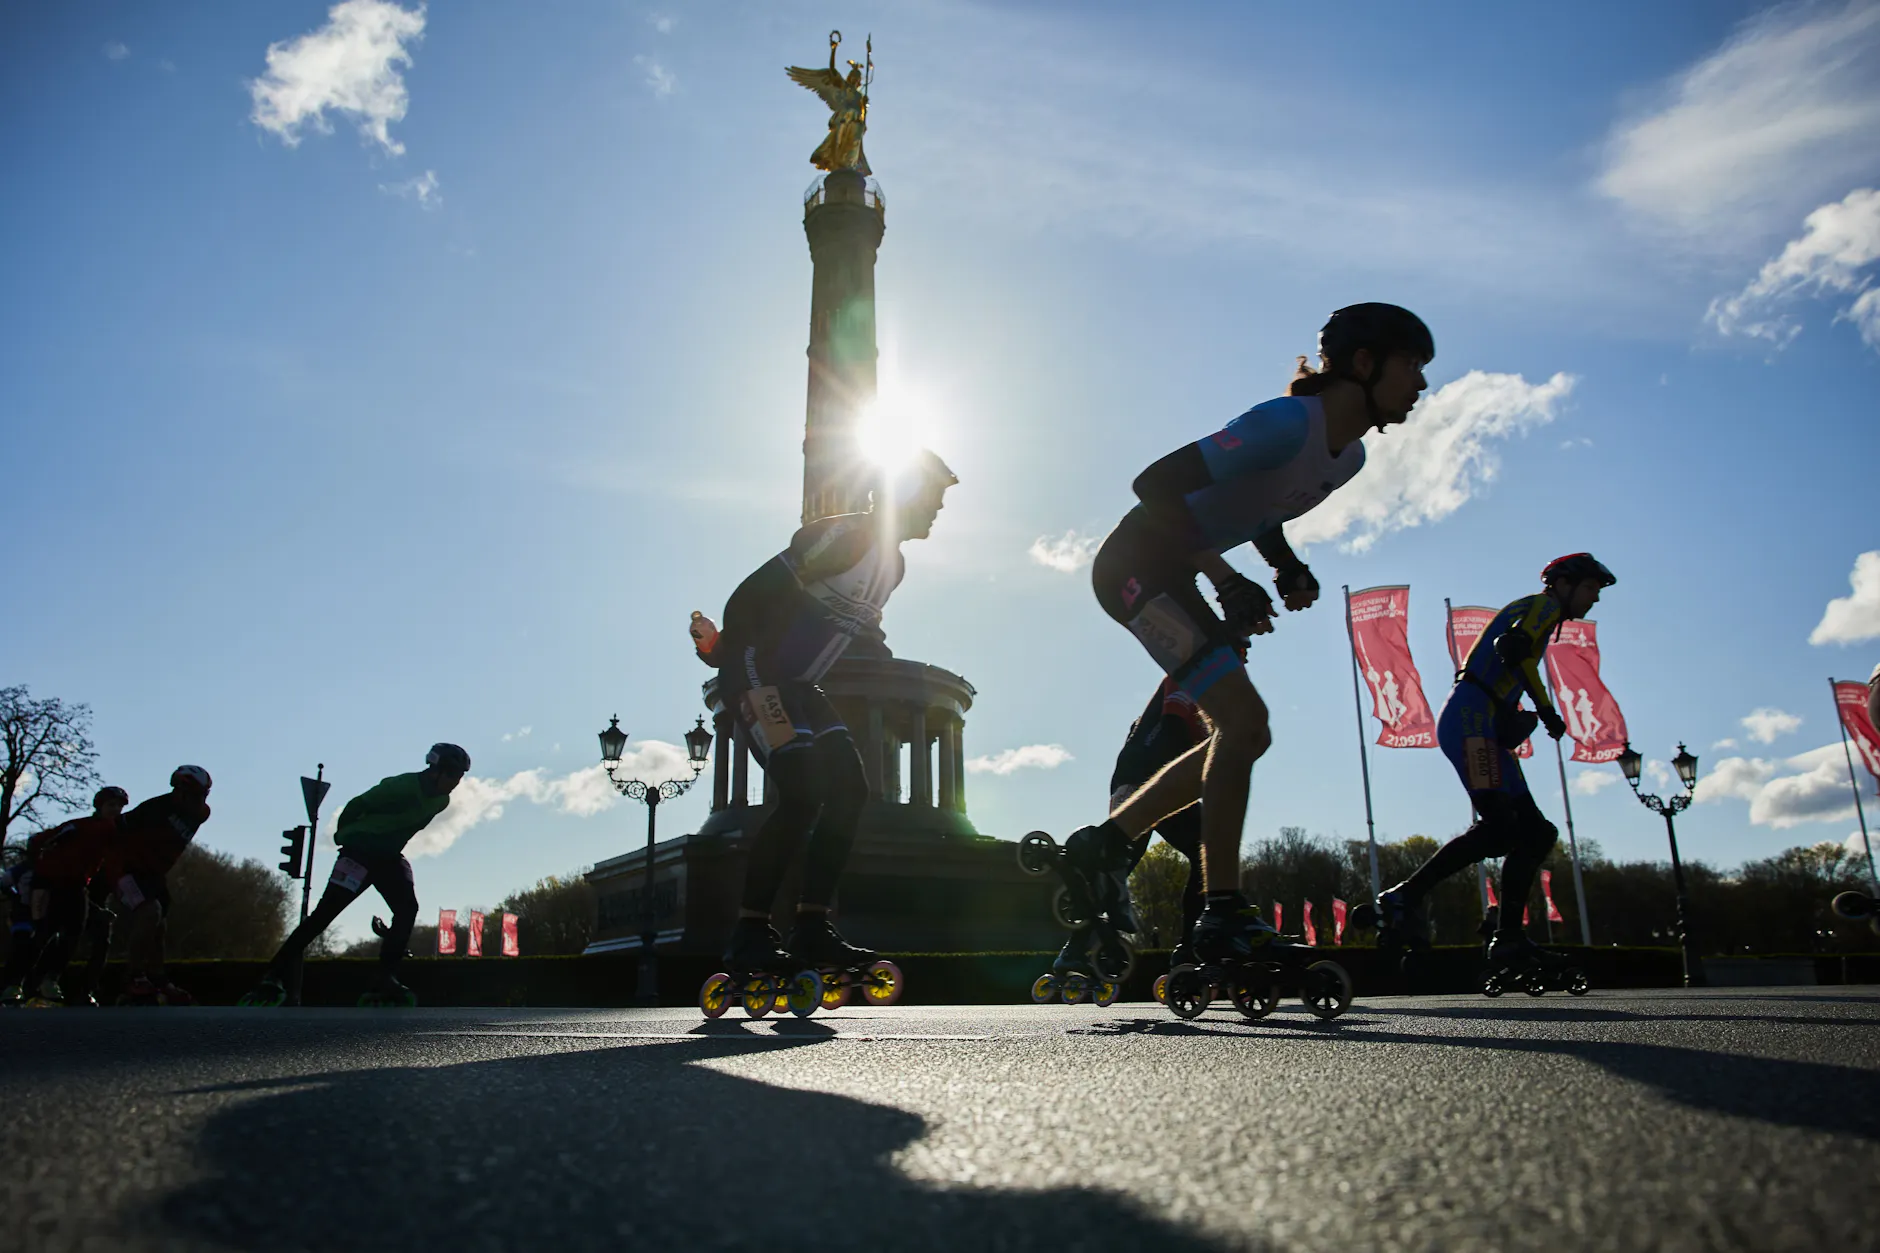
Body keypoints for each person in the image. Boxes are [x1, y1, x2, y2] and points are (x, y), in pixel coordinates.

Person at [1061, 304, 1432, 966]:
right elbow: (1154, 485)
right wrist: (1226, 577)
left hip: (1175, 572)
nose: (1422, 383)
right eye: (1412, 365)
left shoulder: (1348, 457)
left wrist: (1284, 565)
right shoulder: (1286, 423)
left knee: (1247, 731)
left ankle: (1107, 844)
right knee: (1243, 720)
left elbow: (1259, 507)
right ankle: (1221, 911)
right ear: (1365, 363)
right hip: (1133, 567)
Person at [701, 449, 956, 973]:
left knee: (849, 791)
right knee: (800, 792)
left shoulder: (894, 567)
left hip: (799, 687)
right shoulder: (847, 537)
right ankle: (748, 933)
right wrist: (730, 657)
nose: (937, 509)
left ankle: (812, 927)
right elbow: (748, 597)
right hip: (756, 672)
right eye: (933, 495)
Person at [1370, 553, 1615, 971]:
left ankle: (1509, 936)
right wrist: (1546, 709)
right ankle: (1404, 897)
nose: (1595, 599)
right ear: (1563, 585)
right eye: (1590, 588)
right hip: (1471, 720)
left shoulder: (1542, 612)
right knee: (1501, 828)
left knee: (1537, 832)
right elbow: (1513, 649)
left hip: (1484, 723)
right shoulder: (1544, 607)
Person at [241, 743, 469, 1007]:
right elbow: (357, 804)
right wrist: (345, 836)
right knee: (324, 915)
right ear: (434, 770)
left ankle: (385, 977)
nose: (455, 782)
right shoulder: (401, 787)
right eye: (452, 775)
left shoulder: (441, 802)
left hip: (387, 857)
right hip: (359, 853)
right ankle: (273, 974)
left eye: (459, 777)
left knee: (408, 909)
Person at [113, 766, 214, 1005]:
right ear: (177, 791)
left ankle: (158, 978)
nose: (198, 802)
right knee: (150, 913)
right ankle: (133, 976)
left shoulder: (201, 813)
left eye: (202, 796)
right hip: (126, 870)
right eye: (193, 795)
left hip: (154, 875)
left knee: (159, 927)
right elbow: (117, 828)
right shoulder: (155, 808)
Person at [20, 787, 128, 1007]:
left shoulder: (114, 832)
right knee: (46, 932)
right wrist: (37, 867)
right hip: (54, 883)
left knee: (72, 934)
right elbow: (41, 839)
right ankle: (22, 982)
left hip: (78, 886)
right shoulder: (81, 826)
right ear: (99, 806)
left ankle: (49, 980)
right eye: (111, 805)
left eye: (119, 806)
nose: (116, 810)